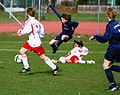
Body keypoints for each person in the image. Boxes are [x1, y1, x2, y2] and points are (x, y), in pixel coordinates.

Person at [17, 7, 59, 76]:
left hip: (34, 42)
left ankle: (54, 67)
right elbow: (42, 34)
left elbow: (27, 30)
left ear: (27, 13)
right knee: (22, 51)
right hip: (34, 41)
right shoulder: (38, 23)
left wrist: (20, 32)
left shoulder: (28, 21)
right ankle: (26, 67)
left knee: (42, 56)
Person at [89, 7, 120, 91]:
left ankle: (113, 86)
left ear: (107, 15)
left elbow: (105, 38)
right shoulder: (118, 23)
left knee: (105, 65)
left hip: (113, 47)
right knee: (109, 66)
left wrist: (95, 36)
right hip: (119, 47)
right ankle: (113, 85)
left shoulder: (110, 25)